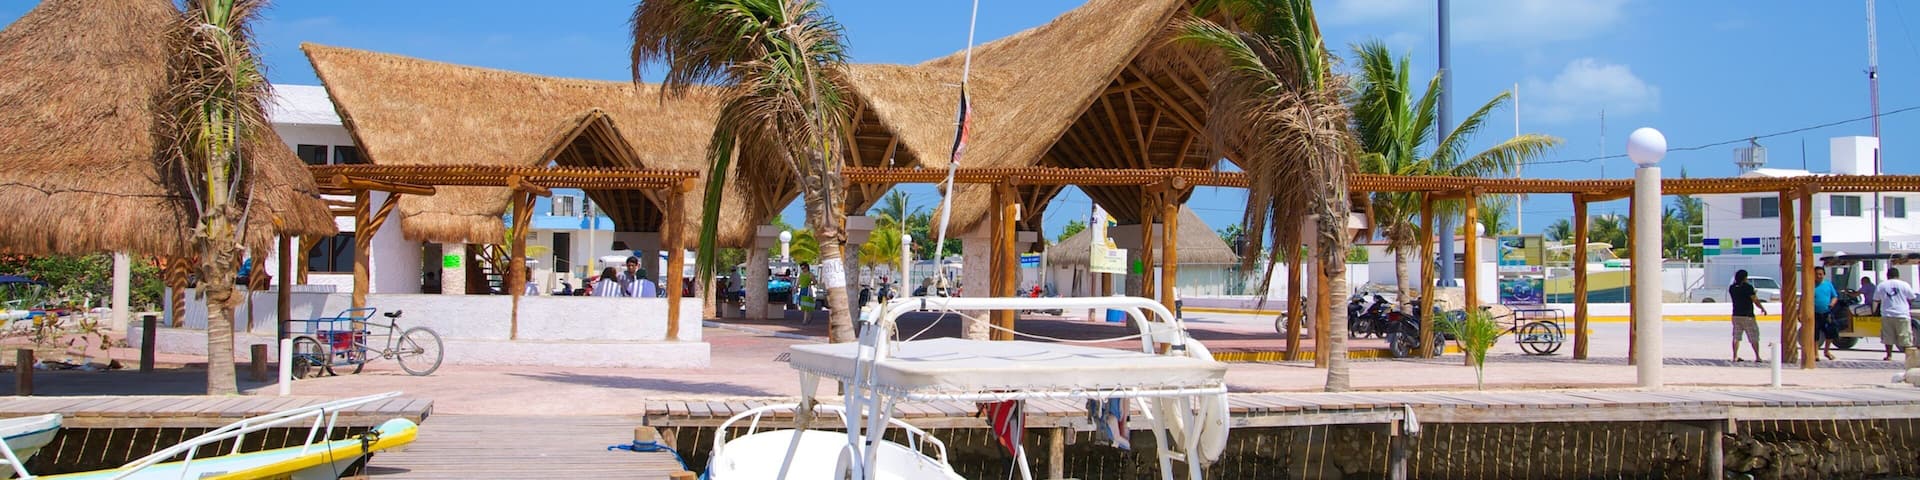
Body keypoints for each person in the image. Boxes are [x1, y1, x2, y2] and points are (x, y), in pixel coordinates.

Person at [1877, 268, 1917, 361]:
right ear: (1898, 275)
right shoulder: (1904, 284)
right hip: (1902, 314)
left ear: (1887, 275)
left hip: (1887, 314)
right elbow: (1912, 297)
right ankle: (1909, 357)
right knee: (1905, 336)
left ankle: (1889, 355)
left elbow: (1876, 299)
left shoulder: (1881, 285)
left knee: (1888, 336)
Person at [1728, 270, 1767, 362]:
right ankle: (1757, 356)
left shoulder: (1732, 288)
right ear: (1745, 277)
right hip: (1747, 315)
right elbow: (1755, 300)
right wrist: (1762, 308)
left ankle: (1735, 356)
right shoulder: (1748, 287)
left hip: (1736, 314)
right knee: (1753, 336)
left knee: (1736, 336)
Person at [1813, 268, 1839, 361]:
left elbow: (1835, 296)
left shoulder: (1828, 284)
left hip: (1827, 312)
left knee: (1831, 332)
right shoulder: (1811, 285)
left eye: (1820, 274)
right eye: (1816, 274)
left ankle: (1826, 351)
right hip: (1814, 313)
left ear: (1824, 275)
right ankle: (1815, 353)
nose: (1818, 276)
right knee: (1815, 334)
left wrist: (1832, 303)